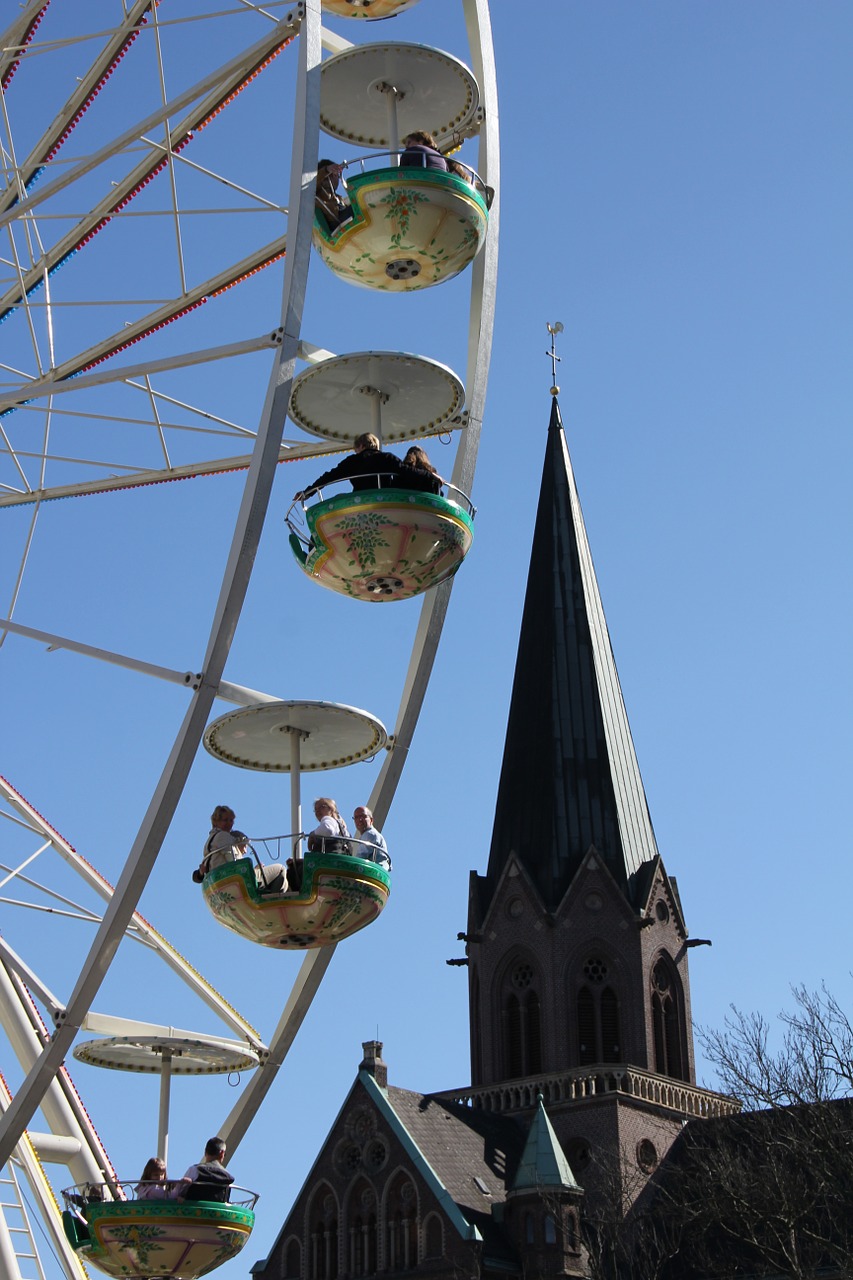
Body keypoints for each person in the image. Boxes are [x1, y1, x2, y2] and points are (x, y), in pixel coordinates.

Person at [195, 805, 284, 894]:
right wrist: (253, 870)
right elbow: (235, 864)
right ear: (216, 822)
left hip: (219, 881)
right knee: (280, 869)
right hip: (234, 880)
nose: (229, 824)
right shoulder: (223, 836)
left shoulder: (210, 841)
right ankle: (275, 900)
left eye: (231, 820)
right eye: (225, 820)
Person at [293, 433, 403, 503]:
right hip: (386, 502)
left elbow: (330, 476)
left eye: (356, 450)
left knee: (338, 500)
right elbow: (405, 471)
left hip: (361, 502)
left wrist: (307, 492)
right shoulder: (387, 457)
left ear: (361, 446)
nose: (356, 452)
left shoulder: (353, 461)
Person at [287, 798, 350, 892]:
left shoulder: (328, 819)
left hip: (325, 866)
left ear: (331, 809)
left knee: (292, 871)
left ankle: (297, 896)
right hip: (338, 864)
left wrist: (313, 834)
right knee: (297, 864)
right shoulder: (343, 829)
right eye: (315, 809)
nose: (317, 811)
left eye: (321, 807)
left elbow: (328, 830)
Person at [178, 1136, 234, 1204]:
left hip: (192, 1211)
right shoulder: (228, 1176)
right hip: (217, 1212)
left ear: (205, 1152)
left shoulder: (195, 1170)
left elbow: (179, 1191)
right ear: (222, 1153)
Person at [315, 158, 351, 231]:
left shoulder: (337, 197)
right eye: (336, 174)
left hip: (342, 218)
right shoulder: (318, 190)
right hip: (336, 222)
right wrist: (327, 170)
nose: (337, 177)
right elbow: (314, 182)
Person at [352, 806, 391, 870]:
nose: (360, 819)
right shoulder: (374, 835)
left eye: (363, 816)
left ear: (371, 820)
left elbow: (361, 858)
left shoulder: (369, 834)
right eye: (356, 817)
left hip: (373, 872)